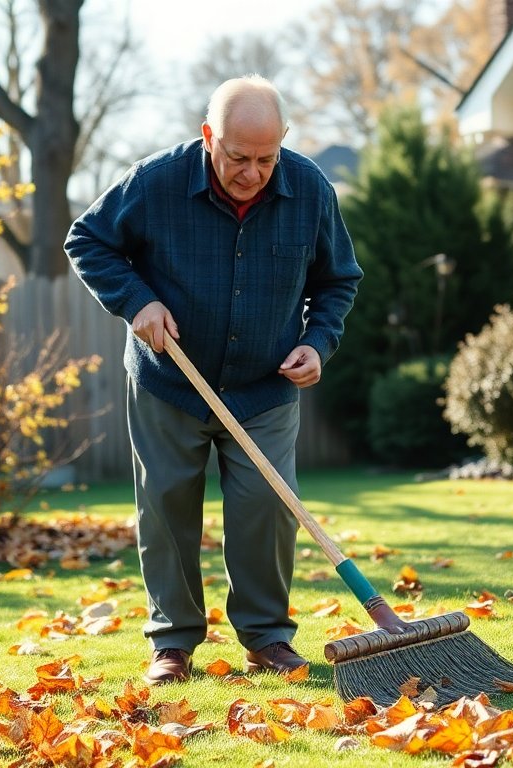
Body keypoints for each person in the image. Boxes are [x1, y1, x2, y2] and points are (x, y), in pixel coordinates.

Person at [63, 76, 362, 685]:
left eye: (265, 158)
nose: (253, 172)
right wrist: (135, 301)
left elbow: (338, 281)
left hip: (264, 385)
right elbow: (87, 240)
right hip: (170, 378)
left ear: (282, 143)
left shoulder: (309, 189)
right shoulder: (154, 182)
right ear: (208, 138)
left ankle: (268, 638)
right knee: (167, 506)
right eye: (237, 157)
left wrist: (316, 342)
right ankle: (172, 642)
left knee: (266, 509)